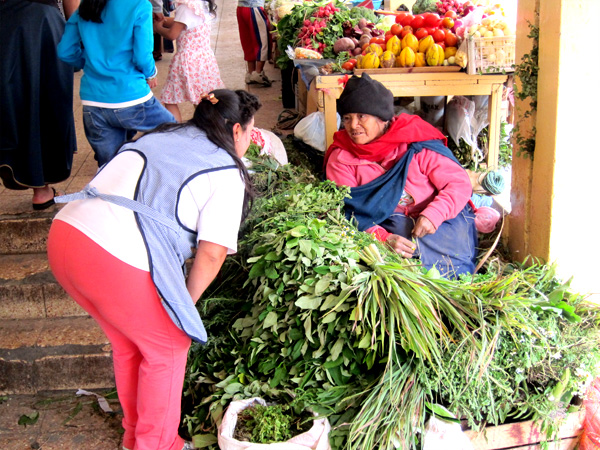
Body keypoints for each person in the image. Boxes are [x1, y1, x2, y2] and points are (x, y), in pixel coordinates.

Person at [47, 89, 261, 450]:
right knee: (169, 346)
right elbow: (211, 254)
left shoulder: (164, 134)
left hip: (66, 237)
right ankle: (159, 444)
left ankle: (136, 436)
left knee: (131, 342)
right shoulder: (225, 170)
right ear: (237, 130)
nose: (250, 144)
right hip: (112, 254)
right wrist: (184, 305)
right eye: (252, 134)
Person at [324, 74, 478, 277]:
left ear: (382, 118)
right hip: (386, 223)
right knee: (390, 269)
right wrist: (382, 238)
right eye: (347, 118)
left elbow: (458, 184)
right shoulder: (341, 157)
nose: (353, 126)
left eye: (362, 116)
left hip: (436, 218)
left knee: (455, 266)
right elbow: (346, 211)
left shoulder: (415, 143)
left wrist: (433, 215)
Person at [57, 0, 176, 167]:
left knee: (109, 167)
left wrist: (91, 63)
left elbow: (65, 51)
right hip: (131, 96)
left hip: (93, 100)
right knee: (173, 130)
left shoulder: (87, 6)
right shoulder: (139, 5)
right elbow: (142, 56)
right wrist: (151, 74)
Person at [0, 0, 78, 210]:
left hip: (6, 23)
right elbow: (73, 7)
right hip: (43, 24)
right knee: (44, 101)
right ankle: (41, 190)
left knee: (10, 101)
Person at [154, 0, 225, 123]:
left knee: (170, 98)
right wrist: (163, 20)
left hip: (188, 61)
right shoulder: (201, 3)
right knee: (205, 99)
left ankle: (177, 131)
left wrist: (157, 27)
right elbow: (181, 23)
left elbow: (172, 34)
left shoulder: (186, 7)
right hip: (205, 59)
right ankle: (213, 129)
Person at [236, 0, 272, 86]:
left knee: (248, 41)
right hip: (254, 8)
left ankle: (250, 73)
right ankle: (258, 73)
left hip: (241, 8)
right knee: (262, 41)